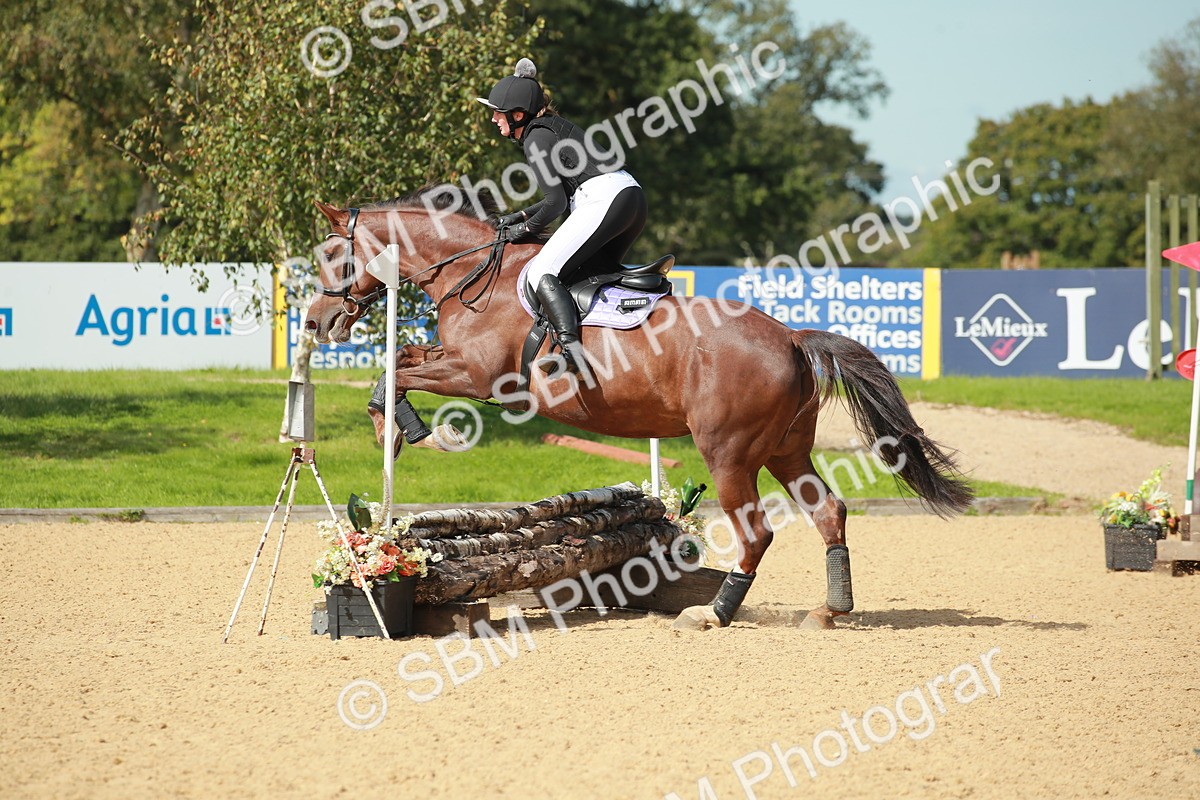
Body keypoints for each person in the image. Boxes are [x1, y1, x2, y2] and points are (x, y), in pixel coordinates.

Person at [477, 58, 648, 374]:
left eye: (497, 113)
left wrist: (524, 228)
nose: (492, 119)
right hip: (630, 196)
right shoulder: (550, 128)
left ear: (518, 115)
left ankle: (571, 352)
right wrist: (518, 216)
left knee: (541, 271)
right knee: (587, 273)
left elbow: (555, 204)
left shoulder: (535, 138)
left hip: (603, 198)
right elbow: (559, 198)